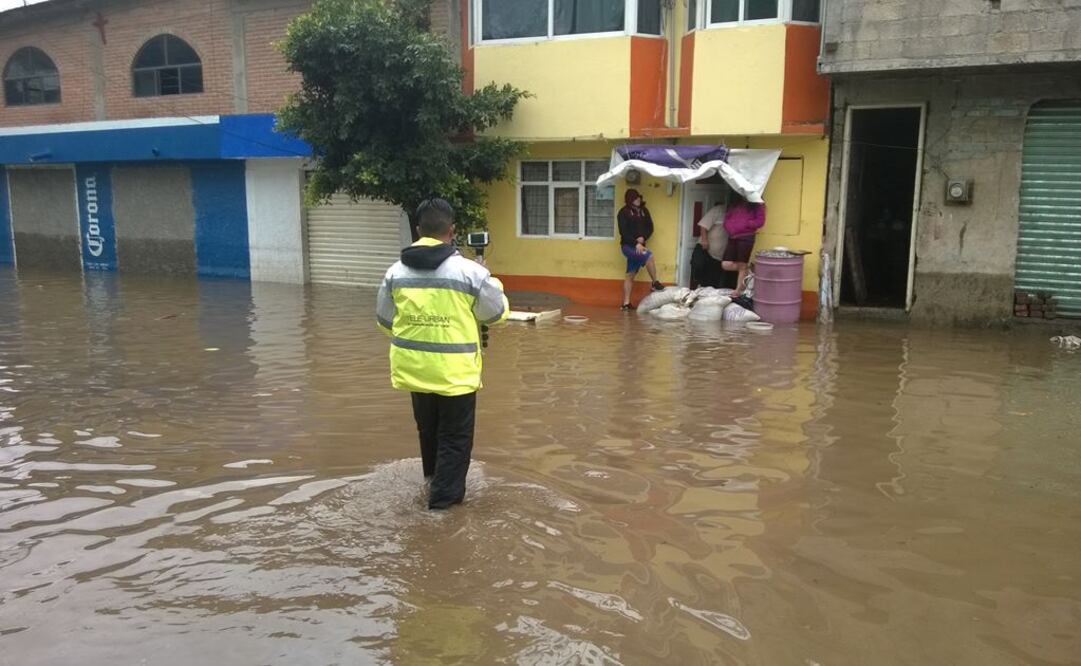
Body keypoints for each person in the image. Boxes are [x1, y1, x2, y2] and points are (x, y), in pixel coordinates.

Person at [376, 198, 509, 510]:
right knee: (454, 439)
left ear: (418, 230)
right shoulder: (471, 273)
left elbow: (385, 323)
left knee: (429, 432)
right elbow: (496, 314)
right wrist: (492, 281)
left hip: (414, 371)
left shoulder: (394, 273)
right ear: (453, 231)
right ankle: (442, 512)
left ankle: (432, 482)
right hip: (456, 374)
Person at [617, 188, 664, 310]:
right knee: (648, 255)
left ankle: (626, 303)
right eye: (635, 197)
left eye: (639, 197)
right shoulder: (623, 212)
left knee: (630, 274)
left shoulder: (644, 211)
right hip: (628, 246)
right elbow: (623, 232)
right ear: (629, 199)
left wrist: (643, 237)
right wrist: (635, 243)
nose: (638, 199)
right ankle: (654, 283)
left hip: (640, 246)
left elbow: (650, 227)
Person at [722, 192, 766, 296]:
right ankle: (748, 268)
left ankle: (738, 290)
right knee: (726, 264)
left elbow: (760, 221)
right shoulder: (735, 204)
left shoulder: (757, 205)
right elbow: (727, 218)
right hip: (732, 237)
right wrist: (728, 226)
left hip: (746, 237)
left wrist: (746, 224)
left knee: (742, 264)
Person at [691, 200, 728, 288]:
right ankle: (696, 286)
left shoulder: (738, 215)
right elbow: (703, 225)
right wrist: (704, 240)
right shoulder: (718, 210)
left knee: (712, 280)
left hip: (719, 255)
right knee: (698, 265)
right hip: (705, 248)